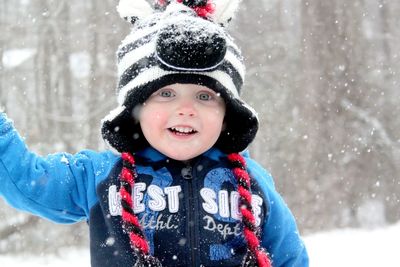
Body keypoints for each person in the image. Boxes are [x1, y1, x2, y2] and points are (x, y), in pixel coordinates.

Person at [0, 0, 309, 266]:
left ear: (227, 113)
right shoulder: (101, 176)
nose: (186, 109)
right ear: (136, 107)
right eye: (166, 94)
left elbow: (289, 257)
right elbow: (28, 183)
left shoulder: (253, 183)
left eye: (204, 97)